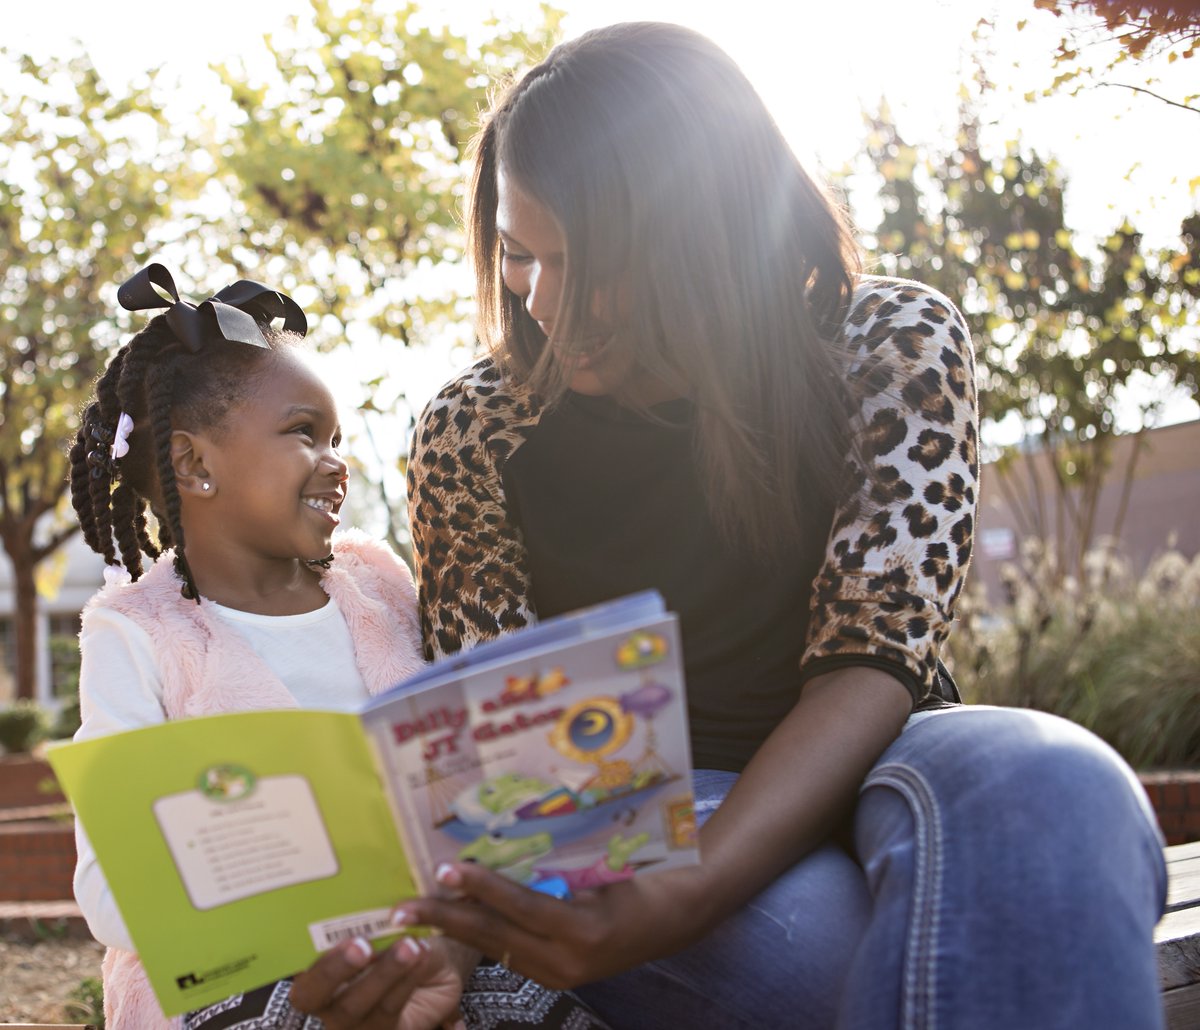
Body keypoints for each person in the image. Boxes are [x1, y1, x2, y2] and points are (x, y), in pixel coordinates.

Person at [368, 22, 1165, 1030]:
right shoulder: (472, 431)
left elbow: (875, 656)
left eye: (593, 263)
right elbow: (513, 768)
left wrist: (693, 893)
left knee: (1052, 773)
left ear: (706, 234)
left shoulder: (893, 343)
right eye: (523, 256)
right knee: (839, 955)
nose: (546, 308)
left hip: (883, 755)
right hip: (640, 818)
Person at [66, 265, 461, 1029]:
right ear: (195, 465)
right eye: (302, 434)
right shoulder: (137, 636)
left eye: (337, 437)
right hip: (228, 976)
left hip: (411, 950)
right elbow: (114, 895)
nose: (336, 460)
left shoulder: (378, 589)